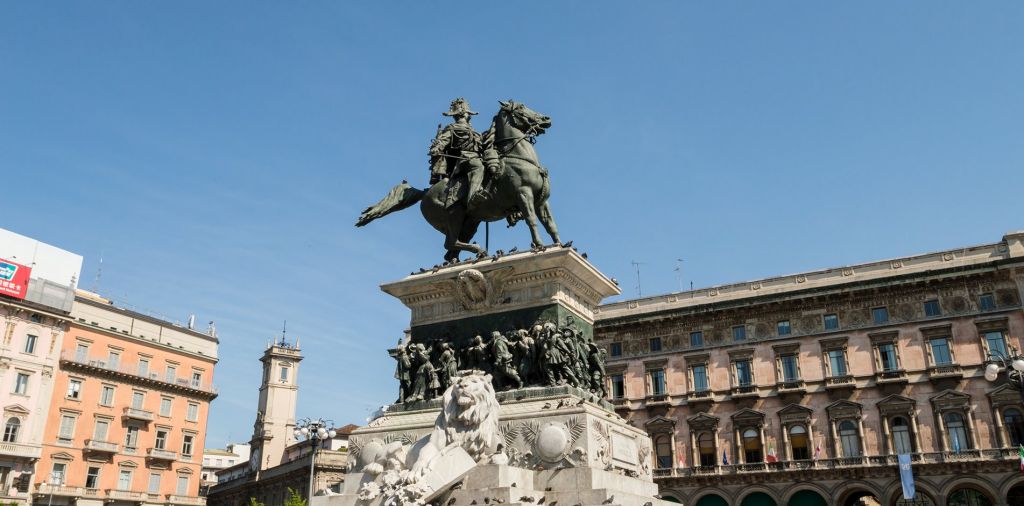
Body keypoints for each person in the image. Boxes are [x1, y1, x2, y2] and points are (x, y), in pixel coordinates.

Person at [428, 98, 497, 210]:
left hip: (477, 156)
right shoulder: (452, 128)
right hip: (465, 158)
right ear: (464, 114)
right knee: (477, 166)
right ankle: (472, 198)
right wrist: (437, 147)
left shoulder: (474, 131)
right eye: (468, 113)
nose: (469, 115)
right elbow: (443, 140)